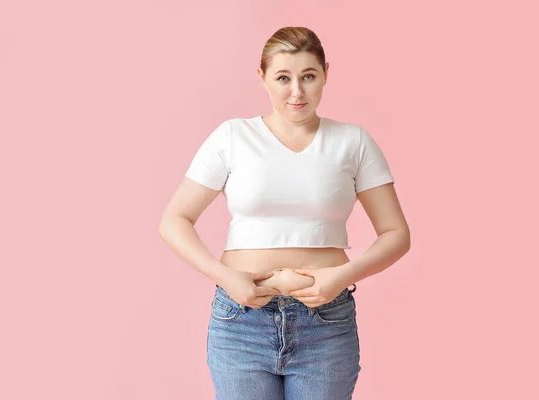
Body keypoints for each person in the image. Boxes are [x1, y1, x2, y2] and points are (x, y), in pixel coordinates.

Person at [159, 26, 411, 400]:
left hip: (325, 323)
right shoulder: (232, 137)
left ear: (325, 73)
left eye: (308, 76)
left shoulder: (353, 142)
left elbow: (396, 233)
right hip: (241, 323)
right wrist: (227, 278)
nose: (297, 91)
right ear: (262, 78)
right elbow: (174, 221)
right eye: (283, 78)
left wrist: (342, 276)